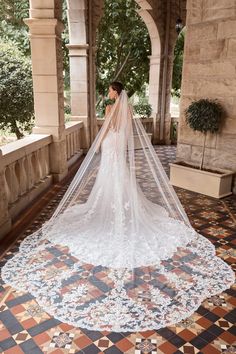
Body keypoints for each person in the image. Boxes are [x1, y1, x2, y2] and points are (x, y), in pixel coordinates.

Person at [1, 81, 234, 332]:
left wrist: (104, 124)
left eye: (111, 90)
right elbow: (123, 129)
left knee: (110, 175)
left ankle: (108, 207)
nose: (110, 93)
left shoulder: (113, 107)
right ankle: (119, 205)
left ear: (115, 92)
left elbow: (108, 128)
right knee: (117, 175)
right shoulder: (127, 109)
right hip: (117, 146)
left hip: (111, 144)